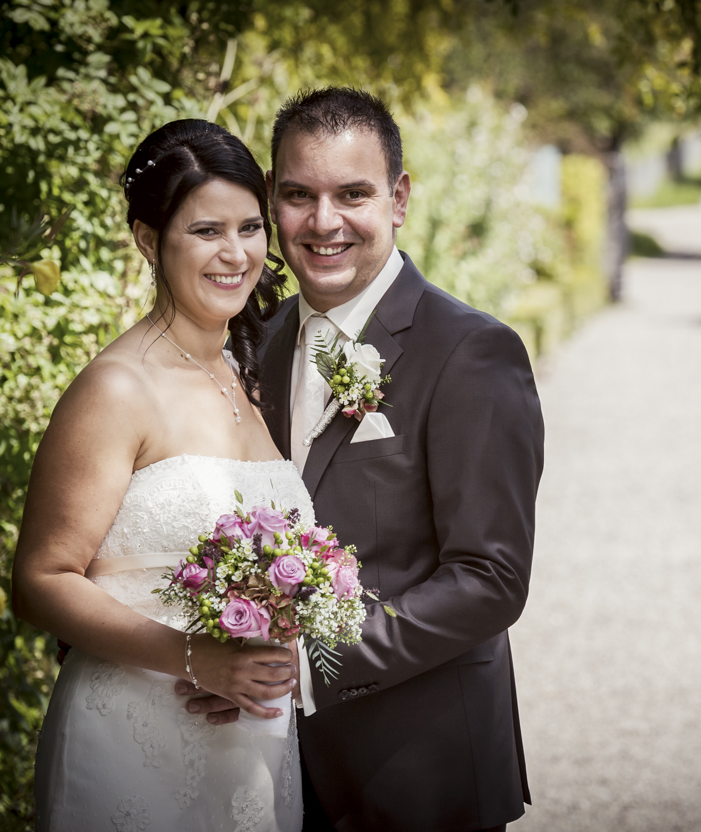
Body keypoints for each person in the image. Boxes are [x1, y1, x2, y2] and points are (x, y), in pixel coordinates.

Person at [180, 87, 545, 831]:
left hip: (421, 769)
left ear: (399, 198)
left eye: (353, 194)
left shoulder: (472, 352)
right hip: (271, 770)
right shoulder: (261, 339)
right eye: (298, 195)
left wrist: (303, 666)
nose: (323, 222)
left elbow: (491, 577)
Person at [12, 119, 307, 830]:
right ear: (149, 240)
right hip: (129, 740)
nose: (235, 254)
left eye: (249, 227)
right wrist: (193, 658)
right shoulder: (116, 389)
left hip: (251, 748)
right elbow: (39, 581)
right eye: (206, 230)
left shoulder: (246, 376)